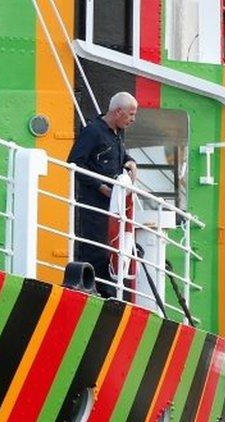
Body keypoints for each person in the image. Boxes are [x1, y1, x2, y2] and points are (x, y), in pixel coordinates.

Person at [68, 92, 139, 298]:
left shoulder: (117, 132)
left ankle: (109, 291)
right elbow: (75, 163)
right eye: (131, 114)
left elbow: (120, 155)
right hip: (94, 202)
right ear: (118, 112)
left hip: (113, 204)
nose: (133, 119)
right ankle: (95, 291)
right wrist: (101, 187)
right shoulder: (93, 131)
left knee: (111, 246)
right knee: (95, 246)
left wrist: (131, 161)